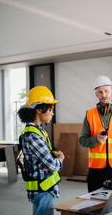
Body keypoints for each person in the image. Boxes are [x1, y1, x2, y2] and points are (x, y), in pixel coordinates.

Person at [17, 86, 65, 215]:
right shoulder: (33, 136)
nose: (52, 114)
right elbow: (53, 165)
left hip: (45, 188)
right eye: (50, 110)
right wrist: (60, 157)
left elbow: (48, 158)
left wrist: (52, 158)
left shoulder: (40, 131)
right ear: (39, 109)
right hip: (42, 191)